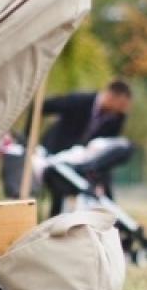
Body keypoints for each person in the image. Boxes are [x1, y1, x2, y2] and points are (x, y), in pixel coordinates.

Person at [32, 80, 132, 216]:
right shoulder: (79, 100)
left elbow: (106, 148)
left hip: (85, 160)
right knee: (59, 191)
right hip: (56, 155)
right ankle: (55, 222)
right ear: (111, 96)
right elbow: (40, 107)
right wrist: (28, 140)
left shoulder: (117, 117)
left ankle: (112, 220)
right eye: (121, 105)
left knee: (104, 175)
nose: (122, 110)